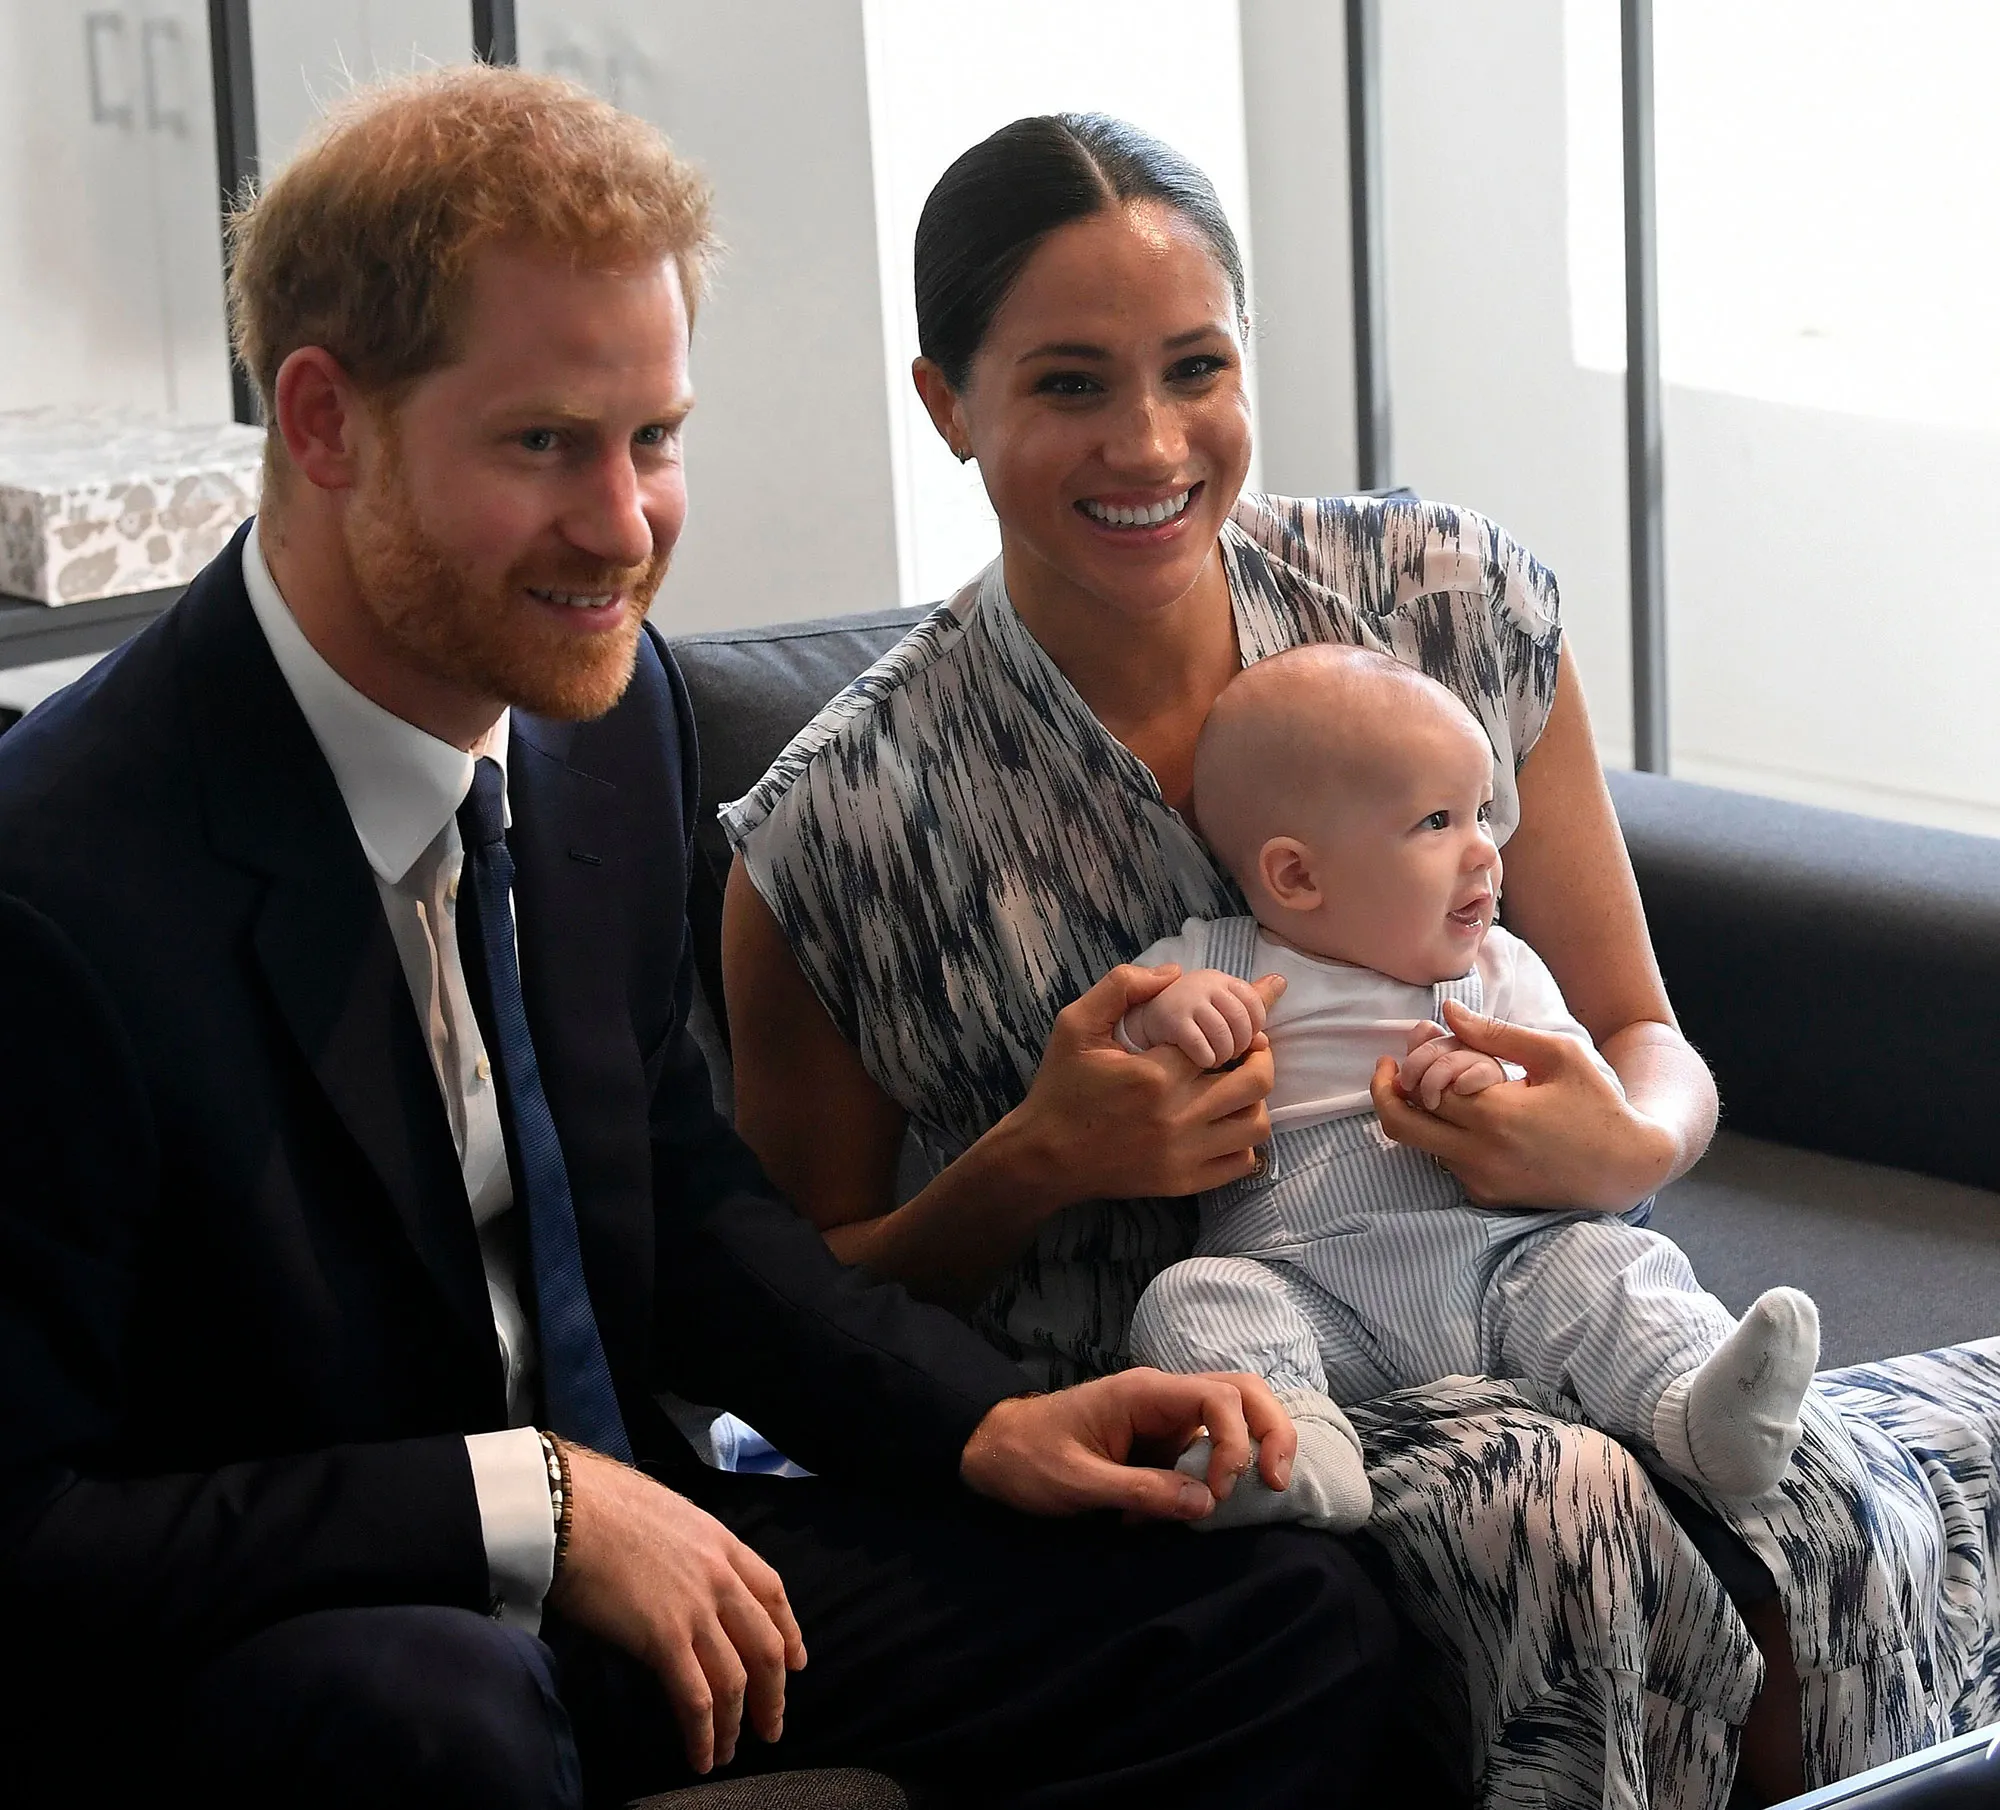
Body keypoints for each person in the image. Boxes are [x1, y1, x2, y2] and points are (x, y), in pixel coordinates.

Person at [0, 70, 1405, 1810]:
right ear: (324, 419)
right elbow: (28, 1527)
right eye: (544, 444)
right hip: (317, 1636)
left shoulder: (601, 723)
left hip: (642, 1540)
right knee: (435, 1724)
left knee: (1280, 1620)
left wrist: (976, 1421)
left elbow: (674, 1192)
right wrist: (528, 1502)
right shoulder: (55, 882)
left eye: (653, 438)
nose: (626, 528)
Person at [720, 112, 1994, 1808]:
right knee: (1564, 1511)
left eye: (1196, 367)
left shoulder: (1446, 605)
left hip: (1545, 1286)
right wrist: (1037, 1163)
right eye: (1070, 384)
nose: (1149, 442)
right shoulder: (839, 830)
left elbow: (1646, 1033)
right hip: (1225, 1399)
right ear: (948, 403)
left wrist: (1622, 1138)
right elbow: (789, 1316)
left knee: (1821, 1484)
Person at [1117, 642, 1821, 1531]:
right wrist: (1167, 1016)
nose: (1486, 850)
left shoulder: (1500, 970)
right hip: (1308, 1288)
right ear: (1297, 875)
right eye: (1437, 822)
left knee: (1614, 1267)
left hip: (1508, 1267)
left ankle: (1698, 1411)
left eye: (1484, 813)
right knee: (1191, 1299)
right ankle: (1297, 1448)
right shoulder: (1213, 962)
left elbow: (1582, 1096)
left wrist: (1500, 1083)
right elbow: (1110, 1050)